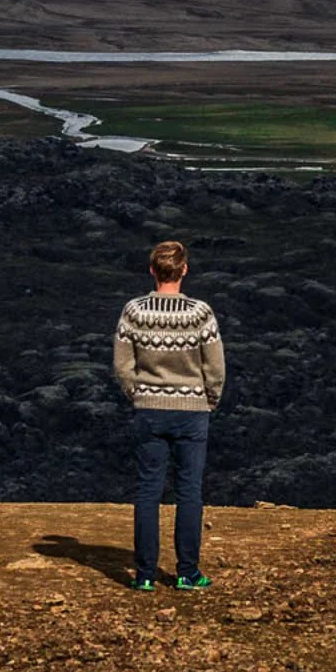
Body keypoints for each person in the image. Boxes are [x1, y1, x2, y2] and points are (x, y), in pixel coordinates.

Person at [112, 238, 226, 592]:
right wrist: (209, 400)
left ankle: (145, 574)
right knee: (189, 491)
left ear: (152, 270)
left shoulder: (134, 311)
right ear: (184, 269)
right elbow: (215, 367)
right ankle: (187, 572)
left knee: (148, 491)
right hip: (192, 411)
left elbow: (122, 364)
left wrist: (138, 394)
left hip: (149, 410)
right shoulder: (199, 313)